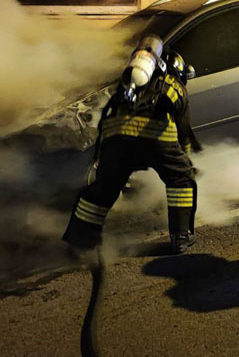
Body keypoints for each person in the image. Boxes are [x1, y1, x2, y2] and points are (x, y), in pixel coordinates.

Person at [62, 35, 202, 256]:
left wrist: (104, 156)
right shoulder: (173, 86)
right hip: (155, 140)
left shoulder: (128, 85)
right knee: (181, 179)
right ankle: (181, 237)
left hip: (117, 142)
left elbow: (107, 121)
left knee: (102, 191)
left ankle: (79, 243)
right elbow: (184, 130)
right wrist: (185, 159)